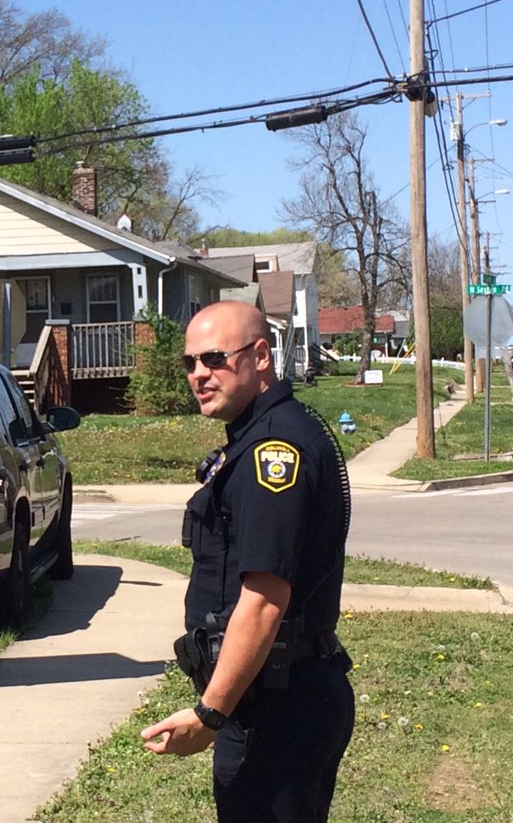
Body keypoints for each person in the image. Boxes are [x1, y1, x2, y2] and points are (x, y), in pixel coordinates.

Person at [141, 300, 354, 823]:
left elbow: (262, 602)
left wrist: (210, 713)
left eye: (214, 359)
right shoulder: (261, 436)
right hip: (273, 697)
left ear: (261, 356)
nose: (198, 375)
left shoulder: (273, 451)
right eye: (190, 363)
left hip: (281, 707)